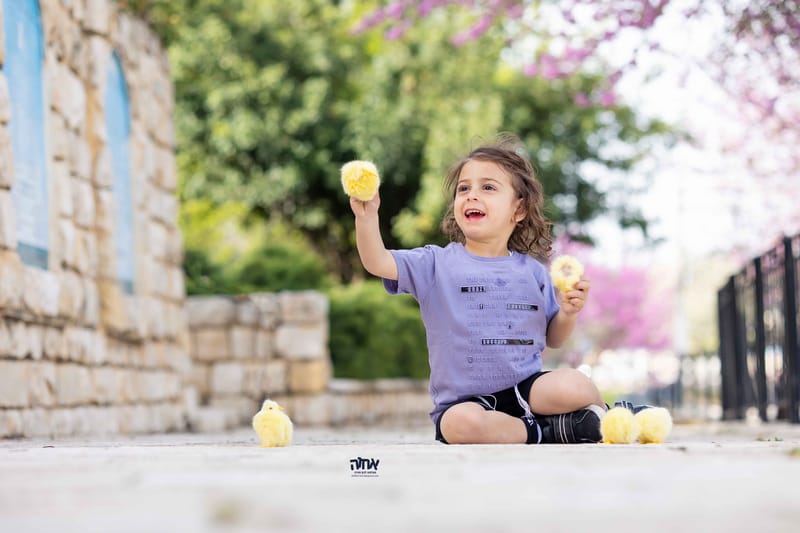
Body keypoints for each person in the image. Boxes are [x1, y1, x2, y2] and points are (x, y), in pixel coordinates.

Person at [349, 134, 606, 444]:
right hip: (467, 404)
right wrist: (366, 219)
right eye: (463, 188)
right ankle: (550, 431)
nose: (471, 195)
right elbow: (378, 261)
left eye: (488, 187)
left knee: (575, 383)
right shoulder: (435, 263)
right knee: (460, 426)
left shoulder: (535, 272)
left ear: (519, 210)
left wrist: (567, 312)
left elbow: (553, 337)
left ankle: (610, 419)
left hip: (529, 393)